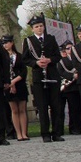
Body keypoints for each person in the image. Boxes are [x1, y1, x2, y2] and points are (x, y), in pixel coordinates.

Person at [22, 13, 64, 143]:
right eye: (36, 26)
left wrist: (50, 60)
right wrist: (36, 63)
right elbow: (25, 59)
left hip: (52, 74)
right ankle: (45, 133)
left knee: (56, 106)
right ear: (32, 29)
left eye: (41, 26)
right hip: (39, 76)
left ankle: (57, 133)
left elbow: (58, 56)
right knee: (42, 106)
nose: (39, 28)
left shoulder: (51, 39)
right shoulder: (28, 41)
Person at [1, 35, 29, 141]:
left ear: (12, 43)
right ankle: (18, 133)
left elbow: (23, 71)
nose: (5, 45)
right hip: (8, 86)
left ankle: (24, 132)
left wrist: (14, 82)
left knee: (22, 109)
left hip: (20, 84)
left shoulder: (19, 56)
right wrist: (10, 84)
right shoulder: (2, 58)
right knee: (14, 110)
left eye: (7, 42)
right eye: (4, 43)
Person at [58, 41, 81, 135]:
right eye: (68, 48)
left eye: (72, 48)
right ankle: (59, 130)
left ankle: (75, 128)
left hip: (73, 88)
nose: (70, 50)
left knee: (74, 109)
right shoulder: (61, 60)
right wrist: (71, 76)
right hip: (62, 87)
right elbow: (60, 71)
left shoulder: (77, 59)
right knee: (59, 110)